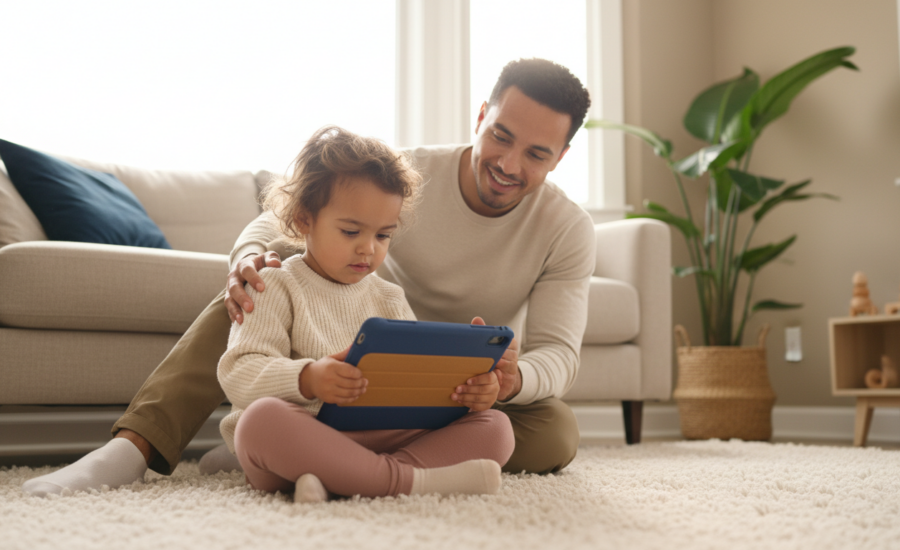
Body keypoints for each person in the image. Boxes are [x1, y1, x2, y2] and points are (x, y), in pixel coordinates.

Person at [23, 57, 595, 497]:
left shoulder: (566, 228)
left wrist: (503, 383)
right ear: (481, 117)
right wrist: (245, 261)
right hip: (340, 363)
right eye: (501, 135)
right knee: (258, 283)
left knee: (553, 431)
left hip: (443, 392)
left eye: (537, 154)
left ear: (561, 156)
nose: (509, 164)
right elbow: (279, 215)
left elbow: (559, 356)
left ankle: (332, 465)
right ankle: (133, 447)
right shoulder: (406, 172)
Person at [220, 126, 512, 501]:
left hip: (383, 438)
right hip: (309, 434)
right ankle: (408, 482)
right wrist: (308, 378)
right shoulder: (275, 284)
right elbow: (238, 372)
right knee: (259, 423)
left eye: (382, 236)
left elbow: (414, 383)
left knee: (497, 426)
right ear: (304, 219)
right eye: (351, 231)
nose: (368, 249)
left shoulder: (390, 296)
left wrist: (470, 390)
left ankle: (343, 479)